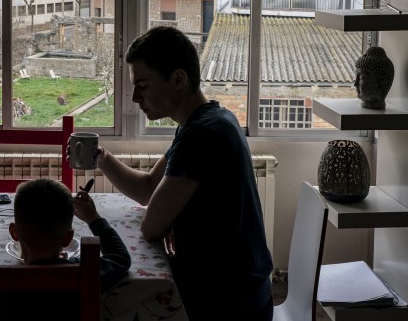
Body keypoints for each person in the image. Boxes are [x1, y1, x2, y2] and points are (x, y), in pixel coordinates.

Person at [88, 26, 273, 320]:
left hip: (228, 302)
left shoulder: (201, 134)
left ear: (178, 79)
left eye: (143, 85)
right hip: (242, 290)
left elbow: (151, 226)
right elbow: (149, 188)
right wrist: (102, 158)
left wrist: (168, 218)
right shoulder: (210, 119)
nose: (135, 97)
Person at [0, 178, 131, 321]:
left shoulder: (0, 283)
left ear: (14, 232)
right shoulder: (82, 272)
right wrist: (93, 218)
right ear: (68, 238)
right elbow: (120, 257)